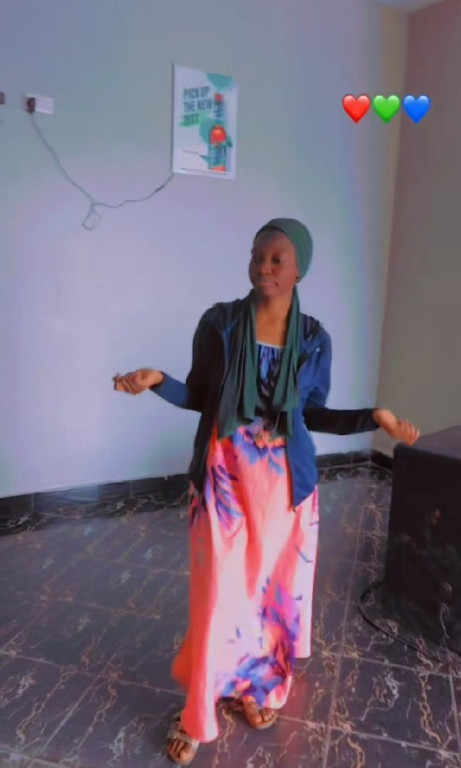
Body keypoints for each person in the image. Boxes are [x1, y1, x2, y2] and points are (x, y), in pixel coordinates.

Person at [114, 218, 419, 766]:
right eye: (257, 255)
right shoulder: (220, 323)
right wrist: (157, 380)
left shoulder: (313, 339)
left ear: (300, 268)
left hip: (283, 486)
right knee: (218, 595)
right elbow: (200, 395)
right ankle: (197, 713)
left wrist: (374, 418)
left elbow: (312, 414)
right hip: (223, 478)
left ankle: (256, 687)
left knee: (271, 596)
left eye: (277, 258)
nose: (263, 267)